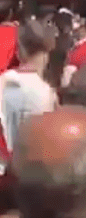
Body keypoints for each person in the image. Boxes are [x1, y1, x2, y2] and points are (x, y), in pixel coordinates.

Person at [0, 21, 58, 175]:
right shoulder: (48, 94)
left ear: (20, 51)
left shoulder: (3, 81)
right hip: (35, 176)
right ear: (47, 54)